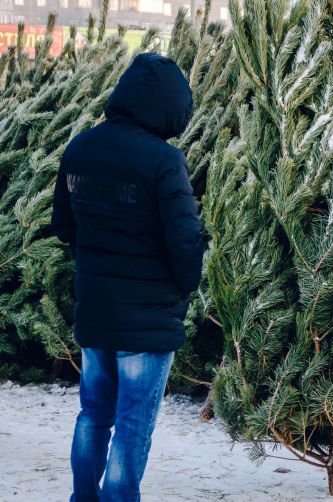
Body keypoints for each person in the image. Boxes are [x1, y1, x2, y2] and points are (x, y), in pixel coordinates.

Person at [51, 53, 205, 502]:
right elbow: (185, 243)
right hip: (147, 319)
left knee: (93, 415)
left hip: (96, 310)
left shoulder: (80, 147)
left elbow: (64, 227)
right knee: (133, 425)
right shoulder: (163, 161)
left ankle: (83, 497)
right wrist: (181, 289)